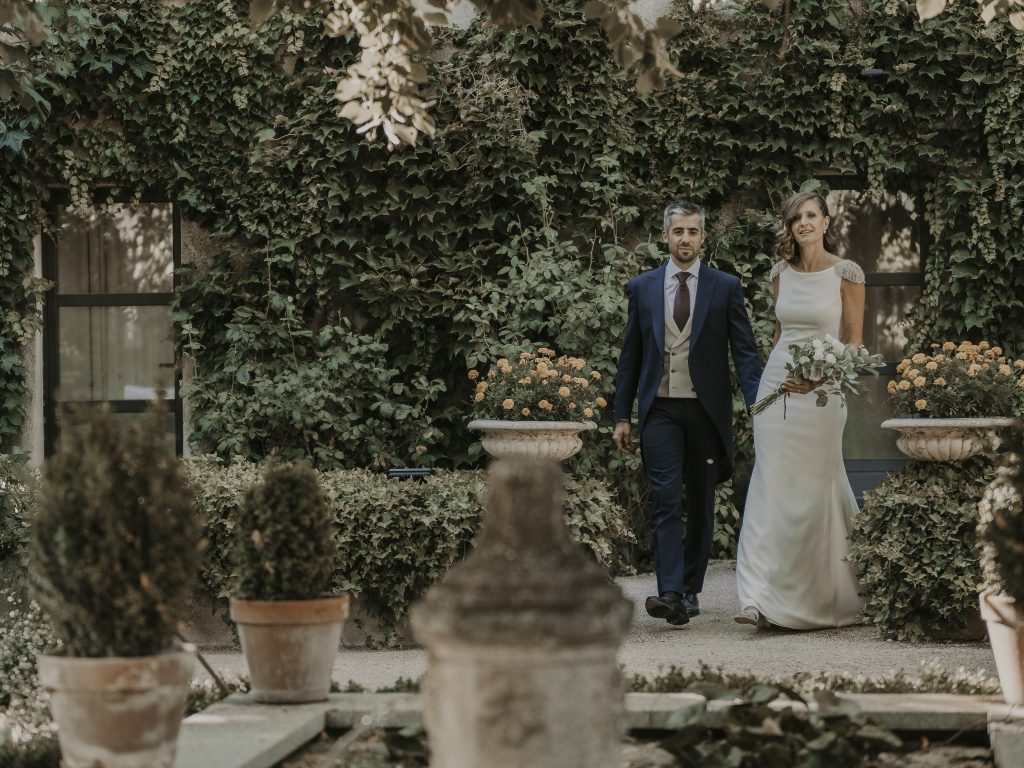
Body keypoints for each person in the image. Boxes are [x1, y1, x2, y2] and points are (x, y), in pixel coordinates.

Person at [614, 201, 762, 627]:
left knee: (700, 500)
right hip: (659, 409)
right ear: (665, 236)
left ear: (703, 237)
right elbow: (630, 356)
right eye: (678, 231)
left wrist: (758, 406)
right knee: (664, 498)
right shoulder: (642, 287)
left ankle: (690, 590)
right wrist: (622, 415)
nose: (685, 238)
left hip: (705, 412)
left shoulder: (725, 286)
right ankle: (670, 593)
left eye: (693, 231)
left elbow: (745, 352)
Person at [734, 190, 867, 630]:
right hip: (777, 390)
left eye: (811, 215)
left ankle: (815, 596)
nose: (804, 223)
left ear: (826, 222)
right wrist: (769, 390)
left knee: (813, 492)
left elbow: (854, 343)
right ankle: (756, 597)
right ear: (789, 227)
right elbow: (779, 336)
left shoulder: (847, 273)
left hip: (823, 396)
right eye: (796, 218)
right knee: (769, 485)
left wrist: (819, 378)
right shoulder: (780, 273)